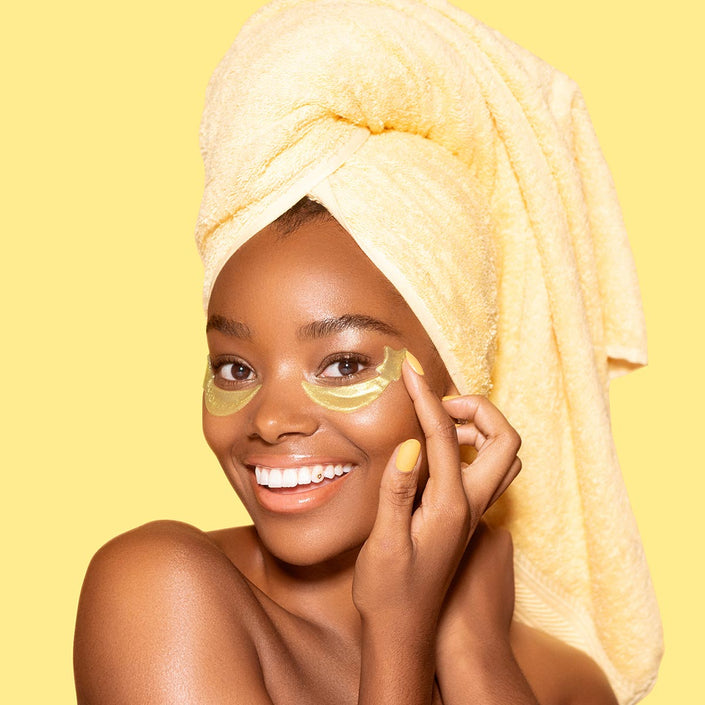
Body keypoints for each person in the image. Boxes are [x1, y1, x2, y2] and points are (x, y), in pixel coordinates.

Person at [73, 1, 662, 703]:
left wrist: (470, 648)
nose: (268, 419)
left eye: (344, 364)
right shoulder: (157, 593)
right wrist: (399, 630)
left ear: (459, 383)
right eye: (236, 367)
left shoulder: (560, 680)